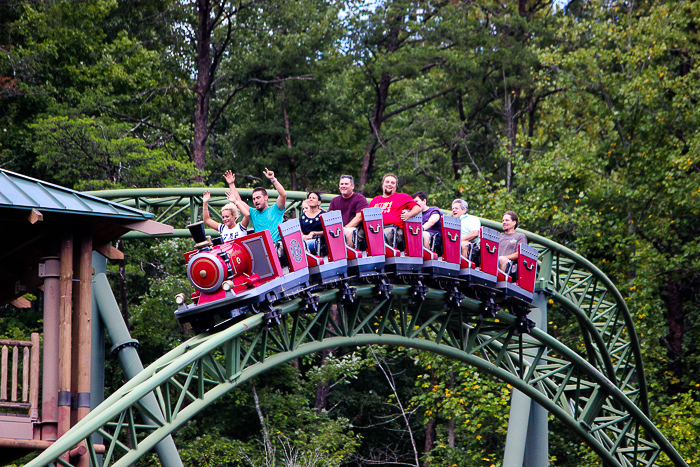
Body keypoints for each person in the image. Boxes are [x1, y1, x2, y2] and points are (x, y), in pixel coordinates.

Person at [369, 174, 422, 247]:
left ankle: (379, 256)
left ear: (396, 186)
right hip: (374, 229)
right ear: (383, 184)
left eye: (392, 183)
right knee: (356, 233)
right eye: (387, 182)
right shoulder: (375, 200)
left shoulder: (402, 197)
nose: (389, 184)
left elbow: (418, 208)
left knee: (381, 235)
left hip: (393, 230)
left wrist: (409, 214)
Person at [238, 168, 287, 244]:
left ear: (266, 198)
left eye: (258, 198)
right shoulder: (253, 213)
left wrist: (273, 179)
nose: (256, 201)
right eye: (254, 199)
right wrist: (231, 184)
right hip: (262, 248)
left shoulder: (275, 209)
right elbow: (238, 201)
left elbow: (283, 195)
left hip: (276, 246)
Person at [328, 174, 368, 246]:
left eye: (346, 184)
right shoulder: (334, 201)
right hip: (338, 230)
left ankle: (350, 256)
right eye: (341, 184)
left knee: (348, 231)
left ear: (352, 186)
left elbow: (359, 217)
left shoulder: (360, 199)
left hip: (355, 229)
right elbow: (329, 217)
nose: (343, 186)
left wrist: (344, 228)